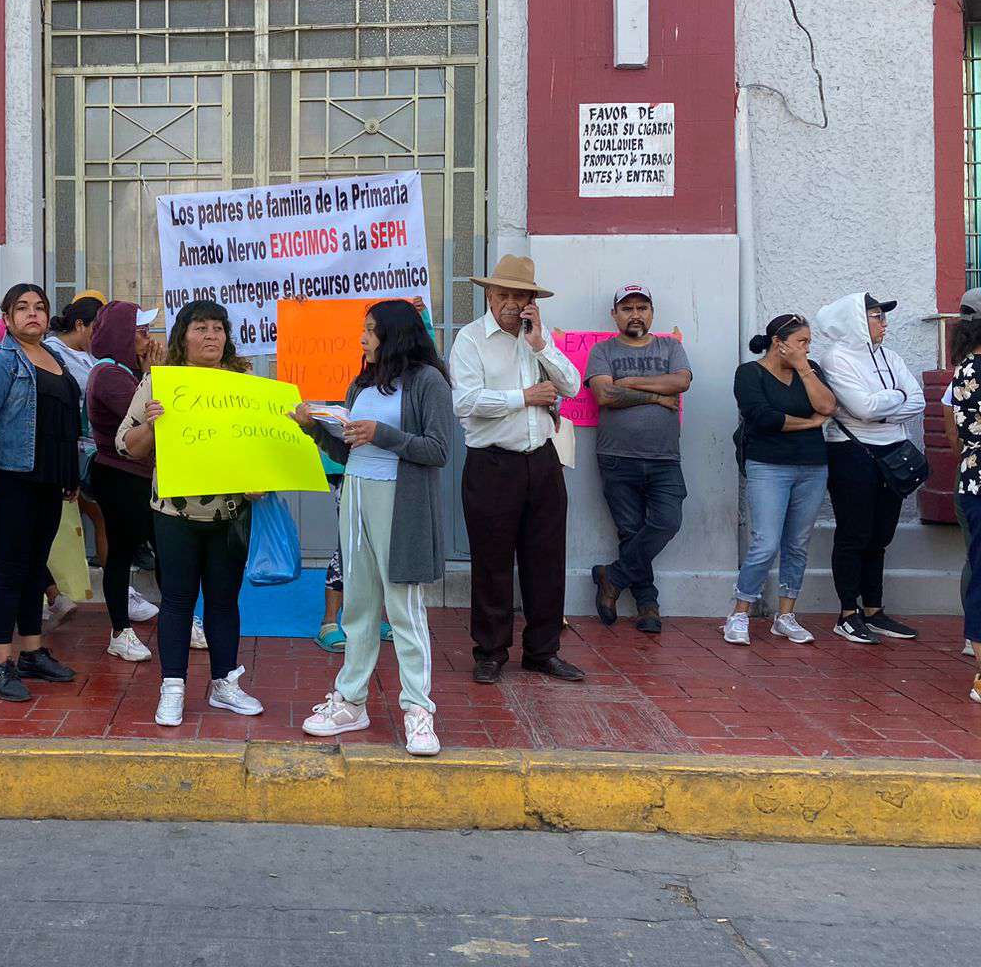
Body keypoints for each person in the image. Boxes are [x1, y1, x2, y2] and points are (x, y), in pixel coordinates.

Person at [293, 299, 453, 756]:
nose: (362, 339)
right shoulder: (362, 384)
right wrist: (314, 429)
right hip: (357, 497)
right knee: (359, 606)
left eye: (370, 330)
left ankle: (419, 711)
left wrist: (380, 434)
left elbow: (439, 449)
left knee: (403, 608)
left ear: (395, 334)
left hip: (401, 505)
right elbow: (348, 453)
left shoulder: (428, 381)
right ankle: (350, 701)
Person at [116, 299, 265, 726]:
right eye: (201, 328)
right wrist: (153, 424)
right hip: (174, 514)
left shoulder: (243, 382)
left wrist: (263, 478)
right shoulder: (160, 383)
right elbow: (128, 444)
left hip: (231, 514)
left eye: (218, 328)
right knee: (178, 601)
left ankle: (224, 684)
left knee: (223, 602)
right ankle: (173, 687)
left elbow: (261, 444)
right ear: (182, 336)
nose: (211, 336)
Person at [449, 255, 585, 684]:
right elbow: (466, 403)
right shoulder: (470, 340)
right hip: (492, 464)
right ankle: (490, 652)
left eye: (519, 295)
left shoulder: (536, 340)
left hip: (542, 461)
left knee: (546, 560)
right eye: (502, 294)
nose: (510, 303)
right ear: (489, 295)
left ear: (531, 301)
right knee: (491, 562)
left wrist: (541, 344)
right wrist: (522, 396)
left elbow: (572, 385)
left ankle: (543, 651)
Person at [0, 283, 81, 702]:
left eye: (40, 307)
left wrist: (70, 473)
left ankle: (31, 652)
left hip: (48, 481)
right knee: (9, 569)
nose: (33, 314)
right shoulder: (1, 360)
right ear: (7, 319)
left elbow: (65, 424)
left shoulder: (56, 358)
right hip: (12, 479)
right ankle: (0, 664)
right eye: (22, 308)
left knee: (33, 568)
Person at [814, 292, 926, 643]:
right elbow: (862, 408)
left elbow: (919, 399)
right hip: (852, 453)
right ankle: (848, 612)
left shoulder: (890, 356)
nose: (884, 323)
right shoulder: (836, 358)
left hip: (892, 453)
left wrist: (885, 404)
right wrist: (897, 398)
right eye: (877, 316)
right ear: (857, 321)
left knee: (881, 534)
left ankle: (875, 610)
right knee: (854, 533)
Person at [585, 285, 692, 636]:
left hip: (664, 458)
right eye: (627, 308)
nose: (635, 314)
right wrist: (657, 397)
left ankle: (611, 577)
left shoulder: (670, 347)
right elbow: (604, 394)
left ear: (652, 312)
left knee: (667, 522)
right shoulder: (602, 351)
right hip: (617, 456)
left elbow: (682, 381)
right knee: (630, 532)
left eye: (642, 307)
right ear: (614, 315)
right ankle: (648, 605)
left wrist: (630, 382)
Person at [726, 314, 838, 645]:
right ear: (780, 343)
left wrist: (804, 368)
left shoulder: (810, 369)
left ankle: (785, 615)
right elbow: (762, 417)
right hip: (768, 466)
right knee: (765, 543)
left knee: (798, 543)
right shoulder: (749, 373)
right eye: (802, 341)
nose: (807, 348)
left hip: (813, 467)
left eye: (808, 343)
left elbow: (828, 406)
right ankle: (739, 612)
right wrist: (808, 423)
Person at [85, 301, 160, 663]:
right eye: (141, 331)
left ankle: (181, 618)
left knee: (162, 551)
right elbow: (145, 417)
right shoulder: (111, 375)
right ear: (120, 335)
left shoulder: (126, 370)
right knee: (120, 555)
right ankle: (120, 631)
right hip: (120, 477)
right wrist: (153, 374)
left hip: (138, 477)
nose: (148, 338)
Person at [45, 292, 109, 629]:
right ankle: (50, 594)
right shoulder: (53, 352)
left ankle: (115, 589)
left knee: (103, 519)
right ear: (80, 324)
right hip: (69, 451)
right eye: (95, 327)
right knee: (52, 528)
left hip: (92, 449)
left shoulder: (91, 355)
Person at [943, 287, 981, 656]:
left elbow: (956, 432)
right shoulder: (973, 371)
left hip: (971, 474)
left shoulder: (962, 370)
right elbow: (952, 430)